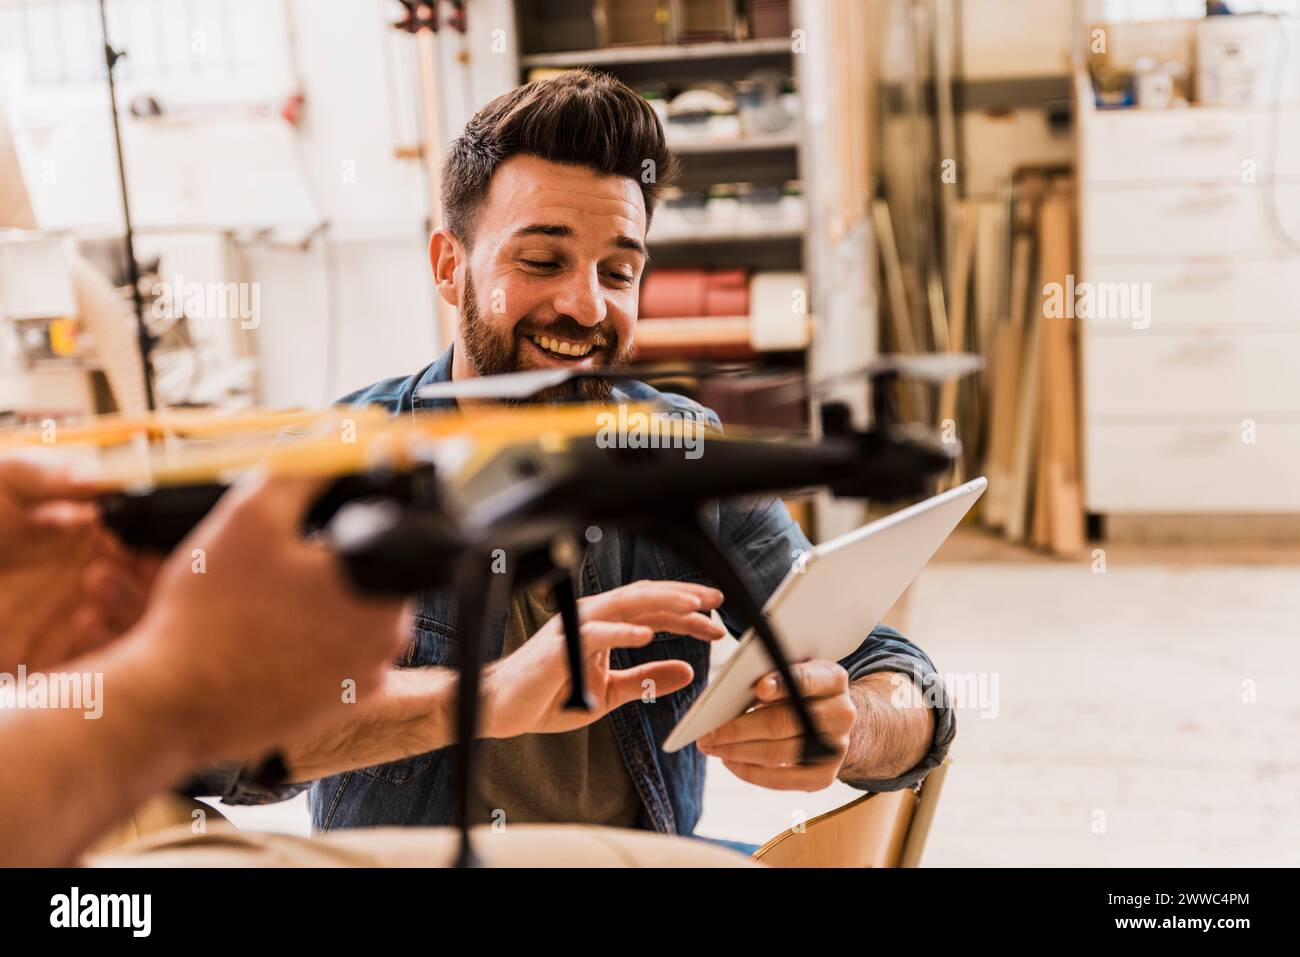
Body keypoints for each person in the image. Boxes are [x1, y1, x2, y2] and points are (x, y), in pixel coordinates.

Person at [194, 70, 955, 838]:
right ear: (450, 266)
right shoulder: (334, 467)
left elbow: (901, 681)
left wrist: (851, 722)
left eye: (618, 271)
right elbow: (211, 743)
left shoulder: (680, 451)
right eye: (542, 261)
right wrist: (488, 696)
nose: (587, 305)